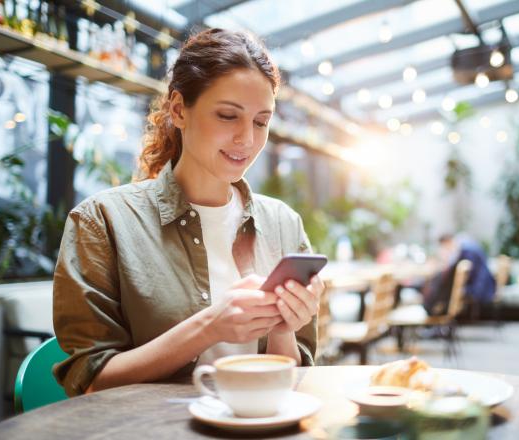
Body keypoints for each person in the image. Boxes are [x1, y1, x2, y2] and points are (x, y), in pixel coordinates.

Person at [52, 29, 324, 397]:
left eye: (261, 122)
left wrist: (283, 325)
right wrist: (211, 325)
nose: (247, 139)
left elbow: (292, 375)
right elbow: (91, 382)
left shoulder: (282, 224)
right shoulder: (102, 221)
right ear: (179, 109)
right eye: (228, 116)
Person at [422, 234, 495, 316]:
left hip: (480, 288)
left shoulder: (466, 251)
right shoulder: (466, 245)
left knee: (440, 283)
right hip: (483, 284)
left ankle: (432, 309)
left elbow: (468, 276)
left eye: (444, 247)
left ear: (447, 242)